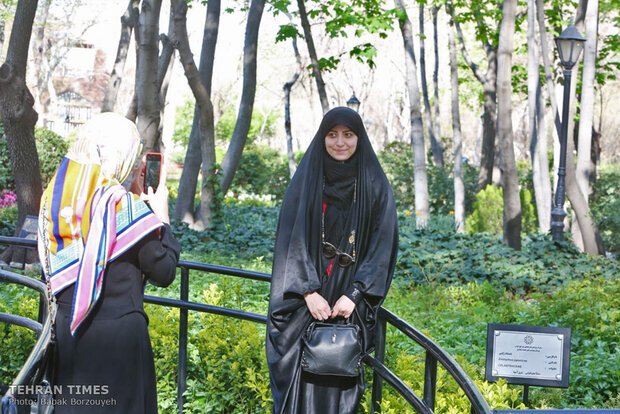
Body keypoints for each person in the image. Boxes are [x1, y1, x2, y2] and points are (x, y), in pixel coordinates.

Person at [36, 112, 180, 413]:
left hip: (69, 331)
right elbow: (164, 272)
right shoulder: (123, 206)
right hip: (119, 342)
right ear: (121, 155)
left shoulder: (55, 197)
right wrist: (161, 217)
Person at [266, 107, 399, 414]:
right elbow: (290, 240)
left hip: (346, 305)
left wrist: (355, 294)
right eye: (332, 134)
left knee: (340, 384)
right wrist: (308, 291)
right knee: (299, 386)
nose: (340, 142)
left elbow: (383, 245)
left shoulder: (375, 186)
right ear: (322, 137)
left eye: (348, 134)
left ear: (359, 138)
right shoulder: (307, 181)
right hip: (305, 303)